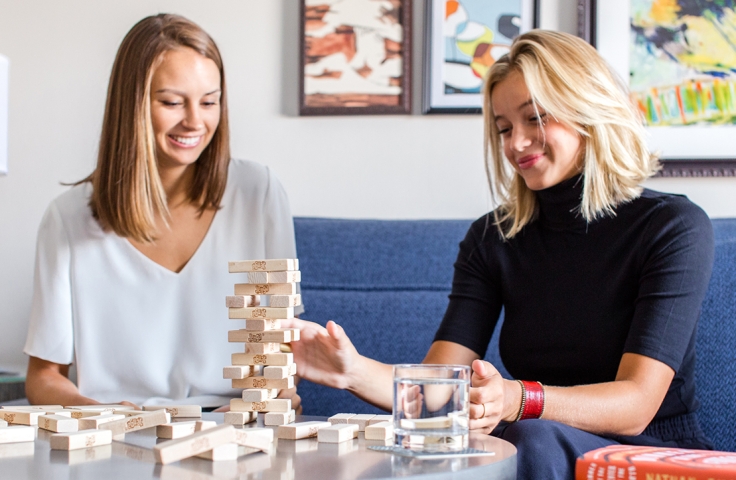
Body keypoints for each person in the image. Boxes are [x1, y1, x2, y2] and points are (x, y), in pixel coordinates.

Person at [283, 30, 714, 478]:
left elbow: (637, 404)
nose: (515, 144)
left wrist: (517, 399)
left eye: (535, 119)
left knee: (523, 437)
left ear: (587, 111)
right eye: (505, 128)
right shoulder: (493, 239)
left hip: (656, 455)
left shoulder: (672, 227)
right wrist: (351, 370)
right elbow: (437, 391)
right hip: (540, 448)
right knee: (483, 441)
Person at [23, 14, 302, 410]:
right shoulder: (68, 219)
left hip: (230, 429)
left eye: (209, 102)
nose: (194, 121)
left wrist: (267, 399)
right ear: (131, 104)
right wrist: (103, 417)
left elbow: (274, 350)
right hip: (116, 432)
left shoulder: (259, 193)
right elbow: (44, 376)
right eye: (171, 102)